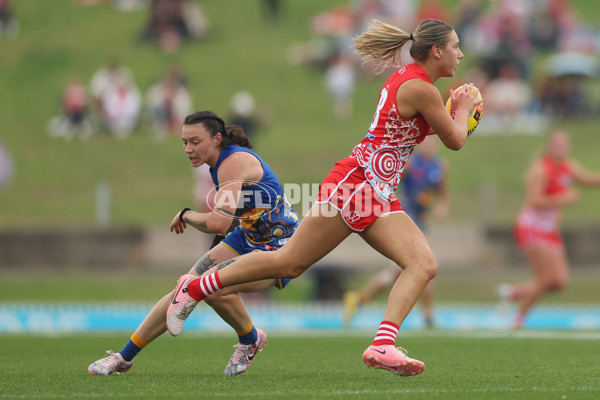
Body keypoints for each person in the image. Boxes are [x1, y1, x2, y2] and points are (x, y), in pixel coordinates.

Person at [166, 19, 480, 378]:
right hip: (357, 185)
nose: (461, 53)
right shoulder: (419, 87)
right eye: (456, 46)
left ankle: (383, 345)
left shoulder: (417, 84)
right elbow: (455, 139)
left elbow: (441, 134)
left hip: (376, 190)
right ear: (437, 51)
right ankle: (195, 286)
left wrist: (457, 111)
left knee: (423, 264)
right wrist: (466, 106)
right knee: (288, 263)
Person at [88, 111, 299, 376]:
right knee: (186, 285)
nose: (188, 149)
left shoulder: (232, 163)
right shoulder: (218, 164)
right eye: (184, 142)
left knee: (206, 287)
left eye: (195, 142)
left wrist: (186, 215)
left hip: (279, 247)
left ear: (217, 139)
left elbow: (219, 222)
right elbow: (233, 219)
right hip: (247, 237)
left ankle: (250, 340)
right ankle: (124, 357)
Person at [343, 135, 449, 329]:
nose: (429, 146)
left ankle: (359, 299)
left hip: (421, 221)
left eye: (432, 143)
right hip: (406, 218)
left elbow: (442, 193)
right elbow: (391, 182)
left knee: (404, 270)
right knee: (423, 265)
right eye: (426, 142)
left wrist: (442, 206)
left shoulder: (440, 166)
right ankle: (427, 315)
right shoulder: (410, 164)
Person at [499, 130, 600, 329]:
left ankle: (514, 293)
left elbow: (591, 180)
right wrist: (563, 199)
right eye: (557, 144)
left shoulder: (568, 167)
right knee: (546, 278)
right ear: (550, 146)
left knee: (559, 281)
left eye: (564, 145)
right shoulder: (540, 169)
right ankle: (518, 319)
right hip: (531, 226)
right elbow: (534, 200)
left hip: (549, 230)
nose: (561, 148)